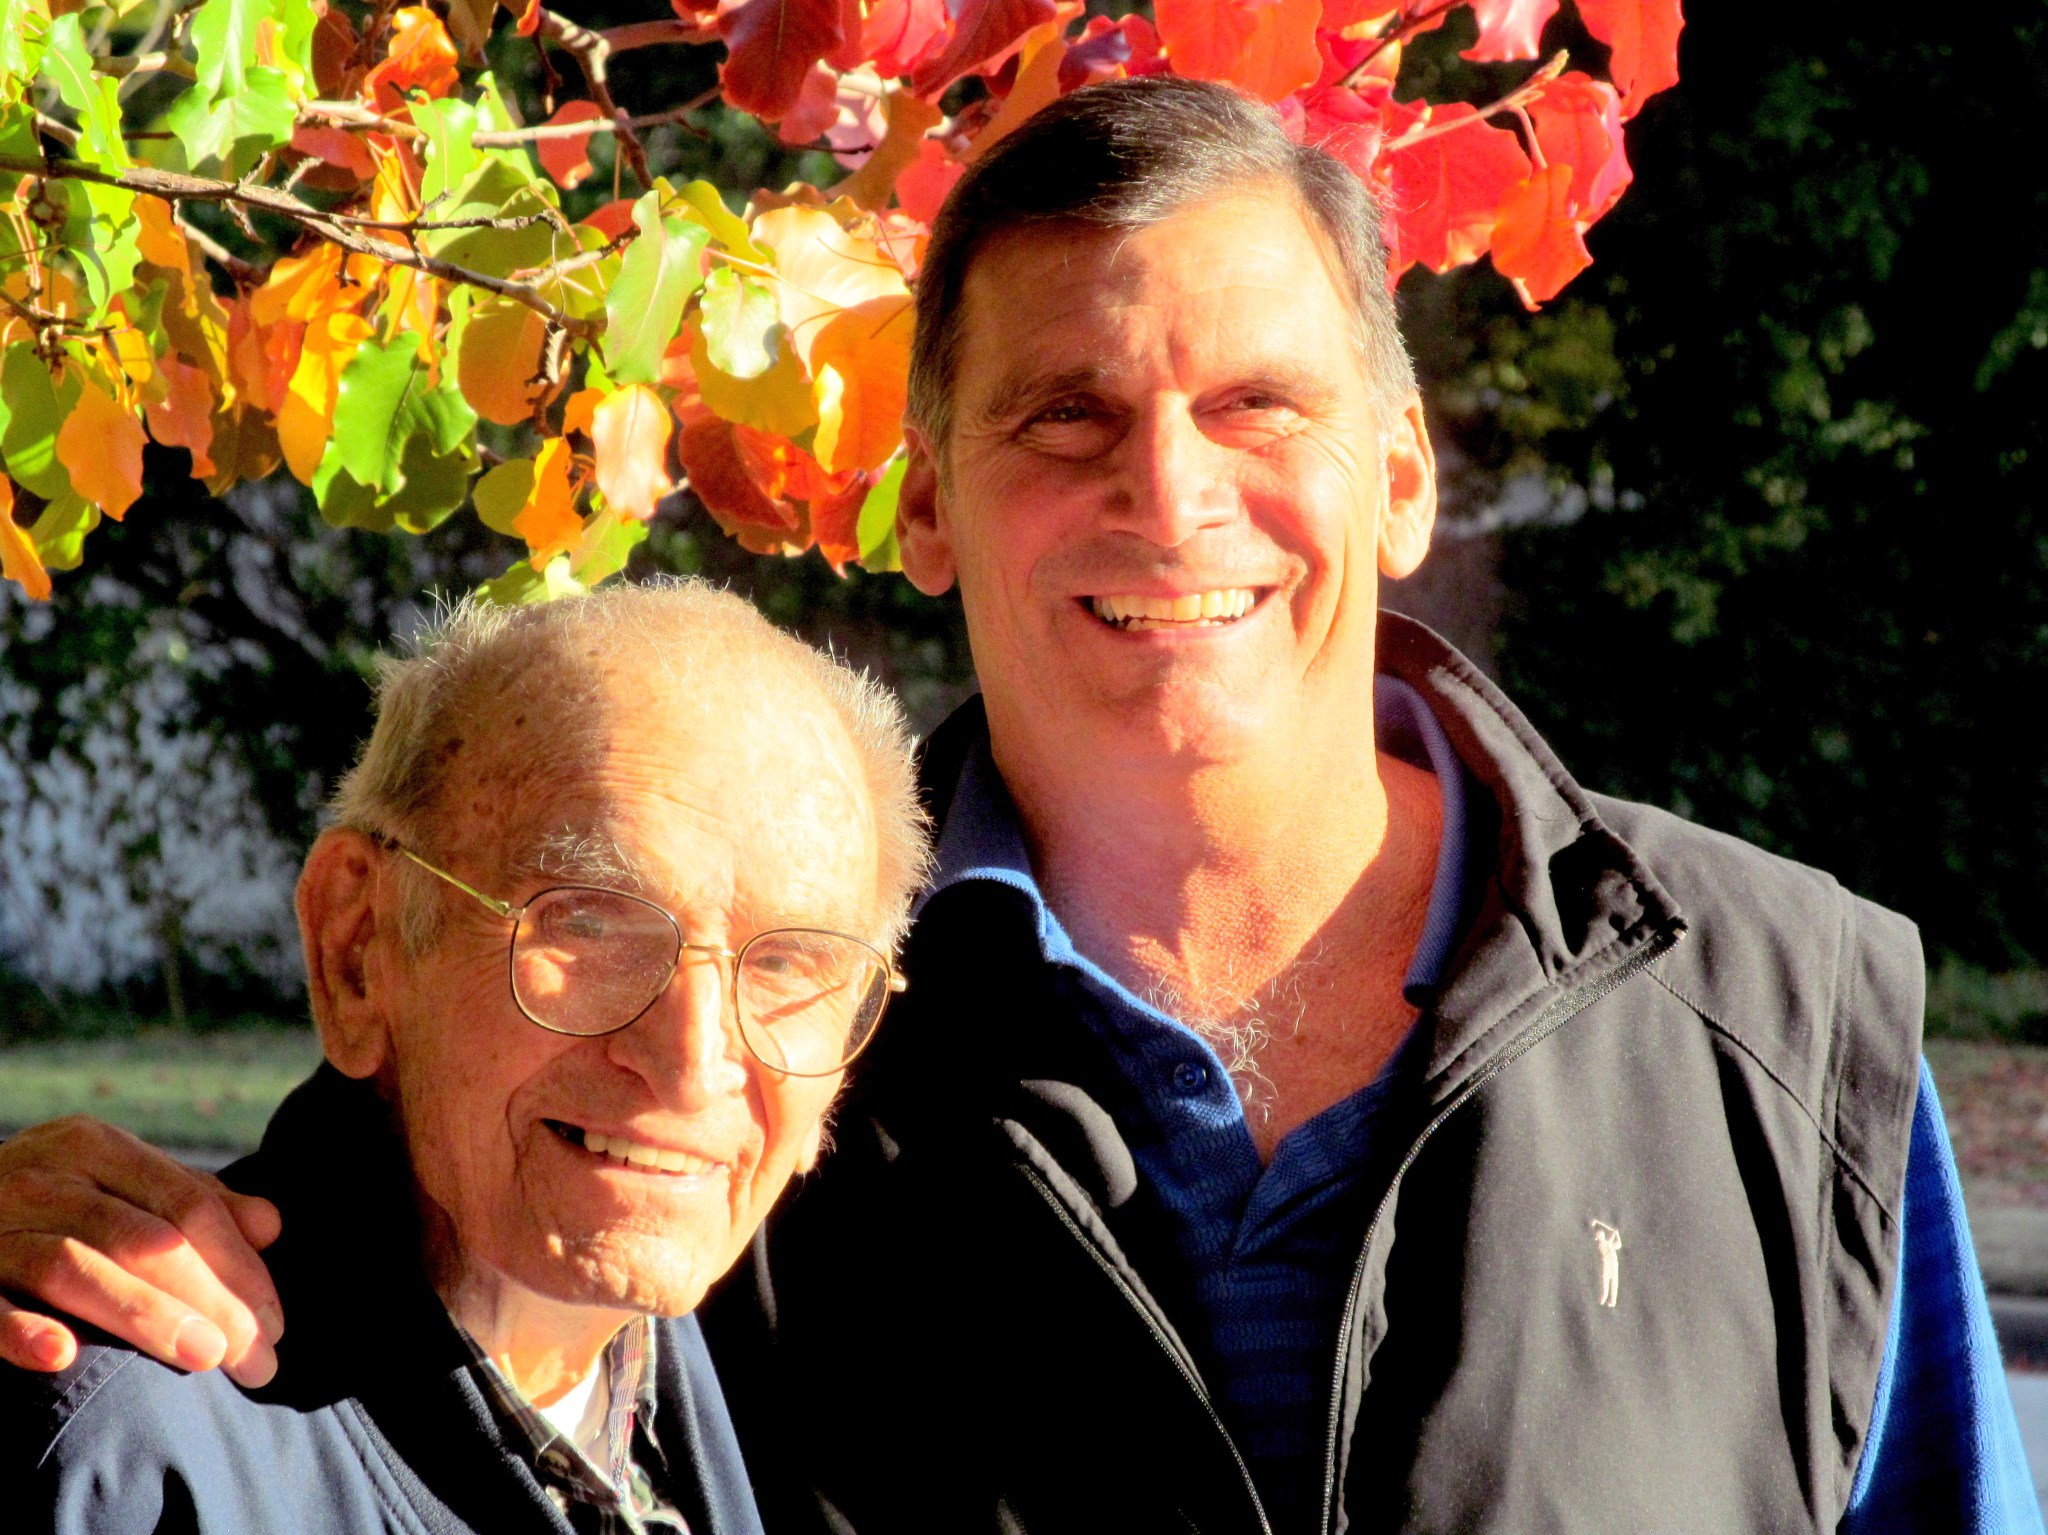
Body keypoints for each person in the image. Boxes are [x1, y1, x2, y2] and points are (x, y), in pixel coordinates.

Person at [0, 78, 2037, 1534]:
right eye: (1065, 416)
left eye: (1257, 404)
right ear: (922, 505)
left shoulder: (1767, 1015)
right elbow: (370, 1273)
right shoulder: (763, 1051)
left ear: (1404, 472)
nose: (1168, 493)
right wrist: (49, 1242)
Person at [0, 580, 928, 1533]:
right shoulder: (117, 1455)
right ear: (358, 948)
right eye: (590, 920)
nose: (692, 1064)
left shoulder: (826, 1381)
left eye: (787, 963)